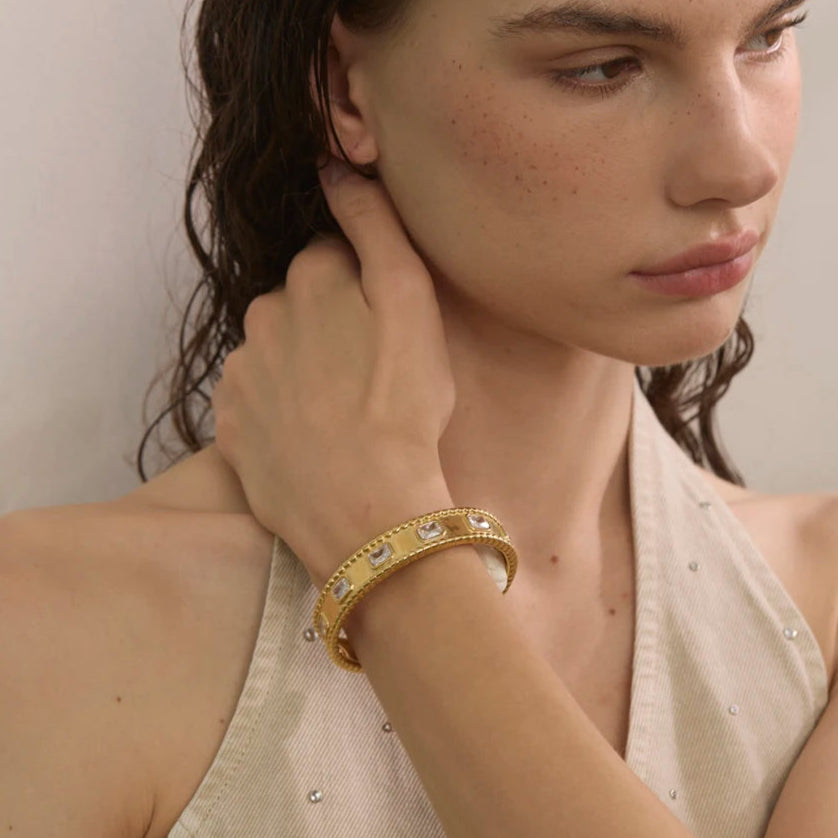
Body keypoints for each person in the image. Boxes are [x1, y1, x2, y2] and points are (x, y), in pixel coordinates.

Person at [1, 0, 835, 836]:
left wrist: (389, 543)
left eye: (768, 36)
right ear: (343, 90)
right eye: (601, 67)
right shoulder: (49, 631)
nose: (742, 166)